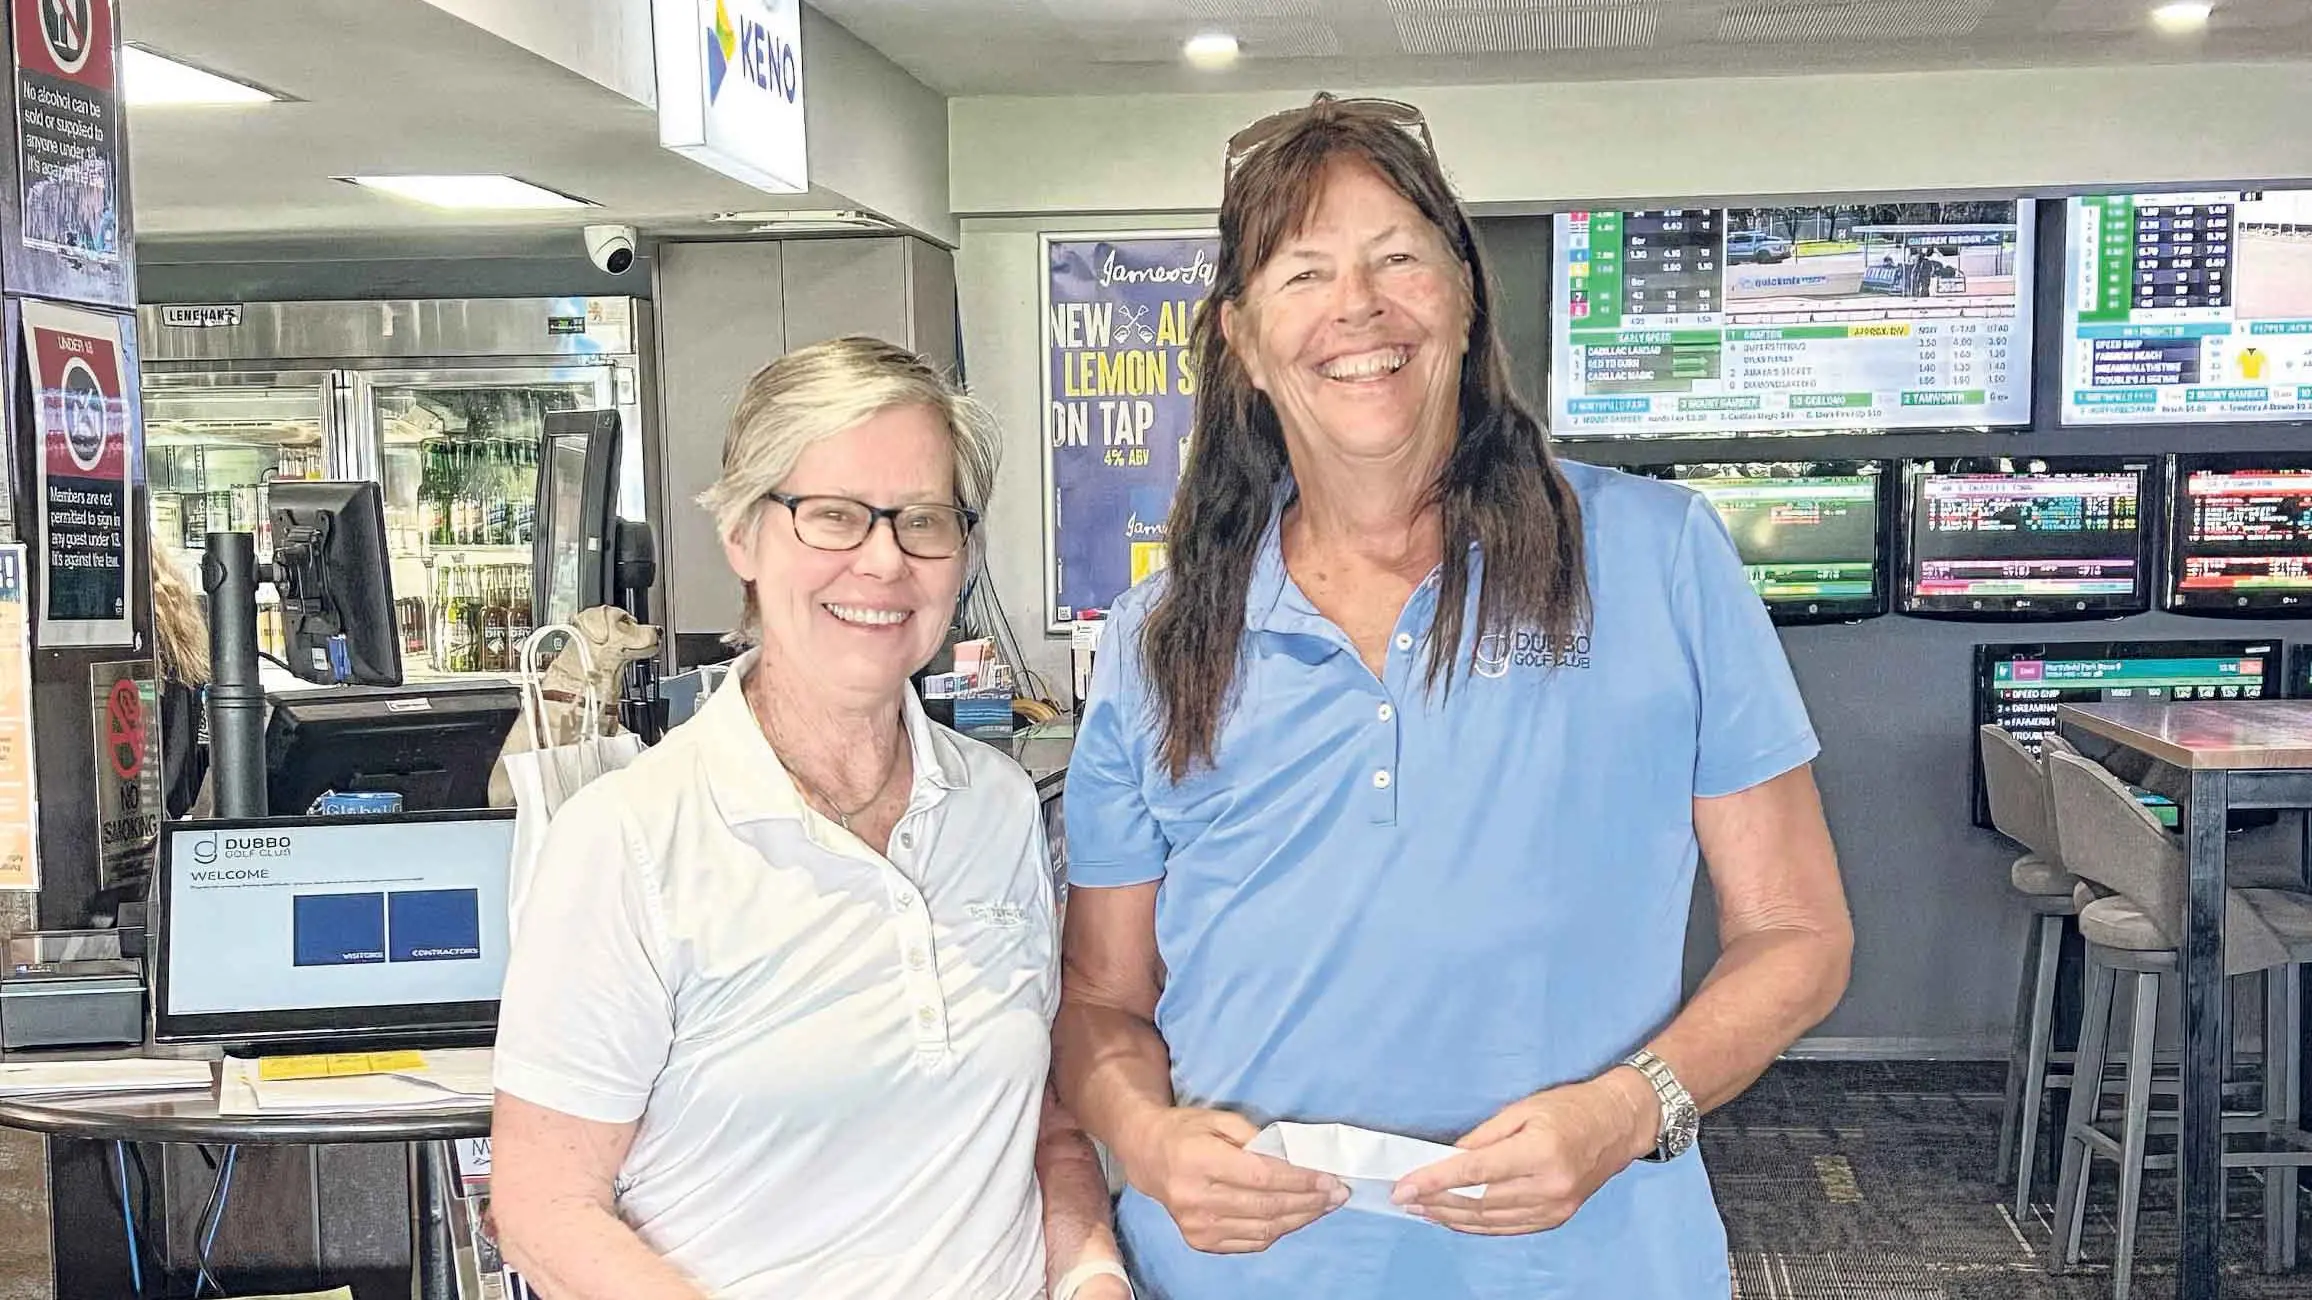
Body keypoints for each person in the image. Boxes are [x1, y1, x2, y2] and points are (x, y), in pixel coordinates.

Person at [1056, 95, 1854, 1298]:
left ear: (1463, 294)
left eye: (1396, 260)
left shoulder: (1655, 556)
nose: (1356, 308)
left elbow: (1798, 935)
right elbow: (1101, 1005)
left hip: (1590, 1263)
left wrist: (1631, 1108)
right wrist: (1154, 1146)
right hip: (1241, 1273)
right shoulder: (1158, 634)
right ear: (1242, 341)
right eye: (1303, 273)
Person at [490, 337, 1129, 1300]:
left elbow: (1035, 1118)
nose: (883, 560)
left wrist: (1092, 1273)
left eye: (923, 519)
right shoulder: (627, 842)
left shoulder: (997, 809)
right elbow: (544, 1207)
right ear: (743, 535)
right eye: (832, 517)